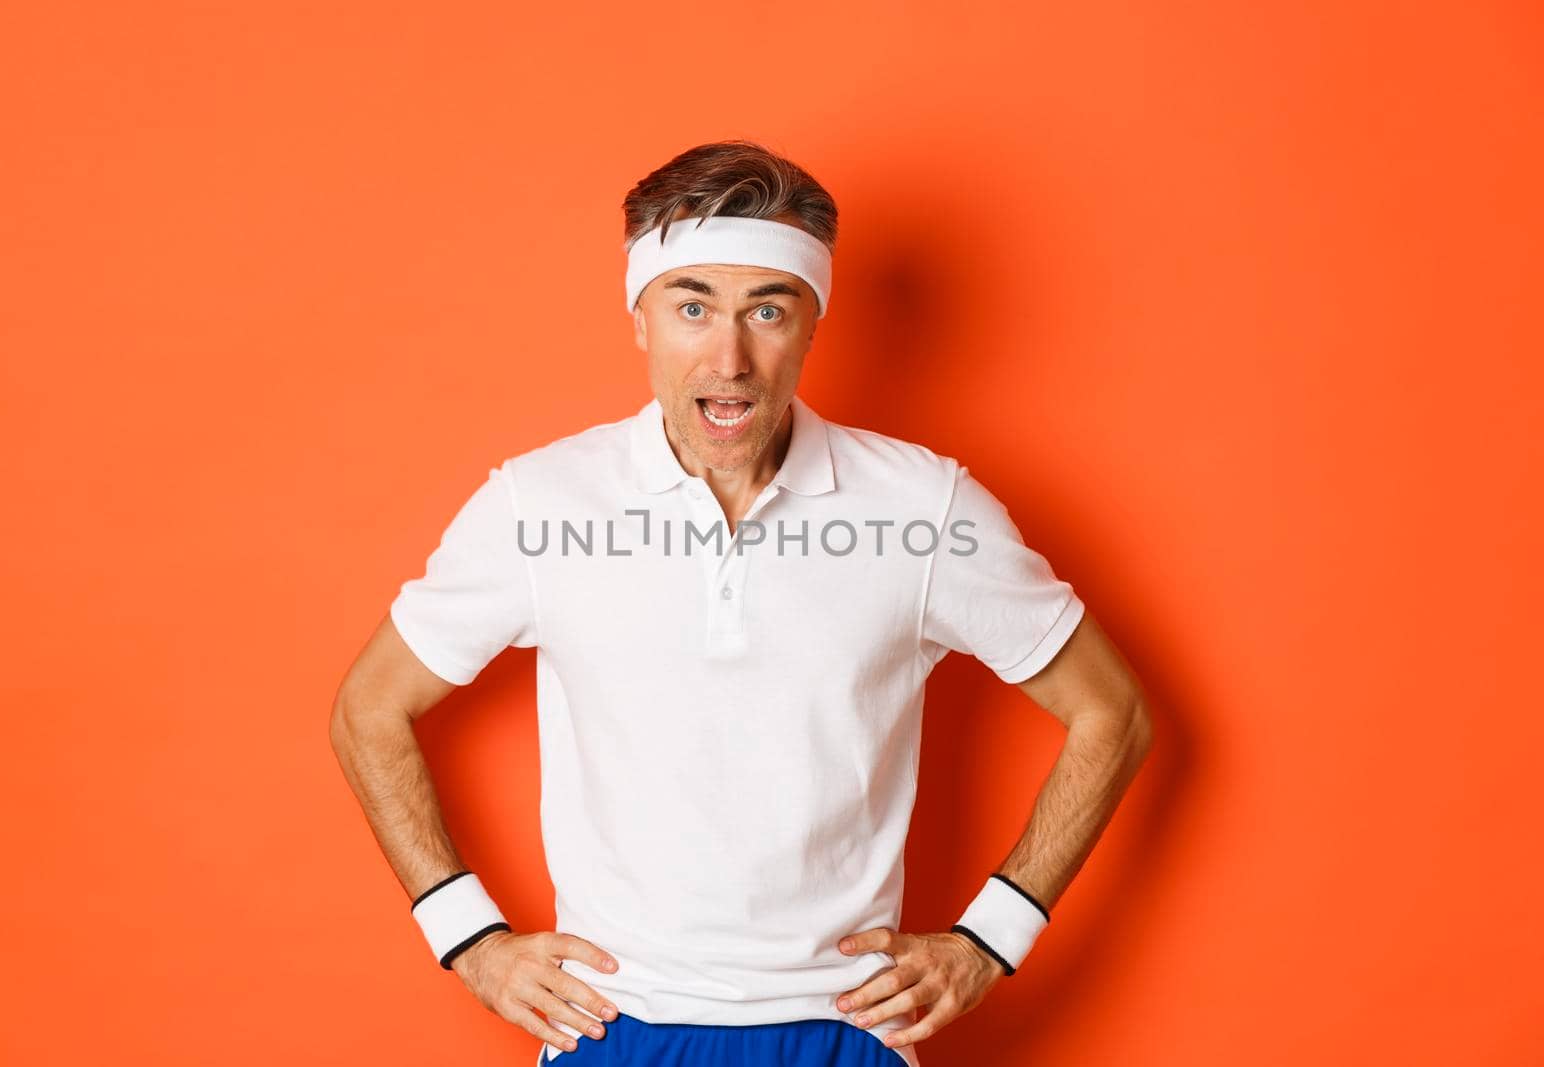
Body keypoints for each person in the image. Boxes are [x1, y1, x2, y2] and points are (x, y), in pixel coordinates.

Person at [330, 139, 1154, 1066]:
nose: (729, 357)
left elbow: (1110, 711)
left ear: (812, 325)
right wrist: (469, 939)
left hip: (845, 1028)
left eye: (769, 309)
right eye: (693, 307)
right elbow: (369, 705)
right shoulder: (539, 504)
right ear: (641, 317)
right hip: (612, 1022)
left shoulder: (925, 508)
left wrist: (991, 938)